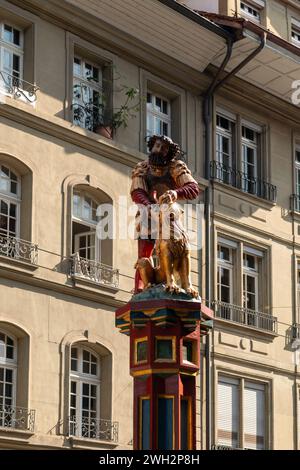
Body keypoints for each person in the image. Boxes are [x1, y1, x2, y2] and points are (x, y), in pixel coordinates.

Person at [130, 135, 200, 292]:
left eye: (164, 148)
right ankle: (140, 287)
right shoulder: (142, 168)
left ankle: (181, 282)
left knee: (179, 248)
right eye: (157, 146)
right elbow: (137, 191)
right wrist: (149, 206)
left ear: (168, 153)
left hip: (169, 214)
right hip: (148, 215)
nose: (159, 150)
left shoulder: (175, 167)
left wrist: (175, 193)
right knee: (144, 253)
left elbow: (193, 188)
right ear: (152, 147)